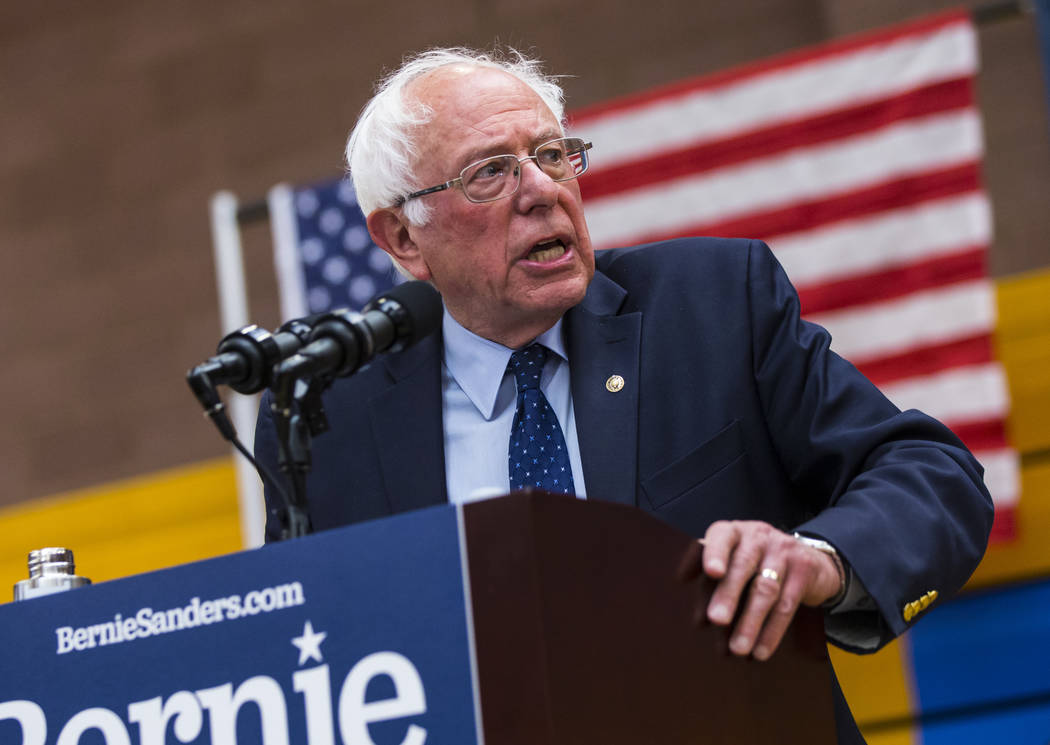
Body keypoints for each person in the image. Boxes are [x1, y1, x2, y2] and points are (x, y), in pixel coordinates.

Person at [255, 47, 993, 743]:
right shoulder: (331, 420)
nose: (542, 191)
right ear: (402, 239)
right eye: (490, 172)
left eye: (551, 155)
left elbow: (932, 476)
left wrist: (817, 557)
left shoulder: (712, 307)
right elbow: (304, 655)